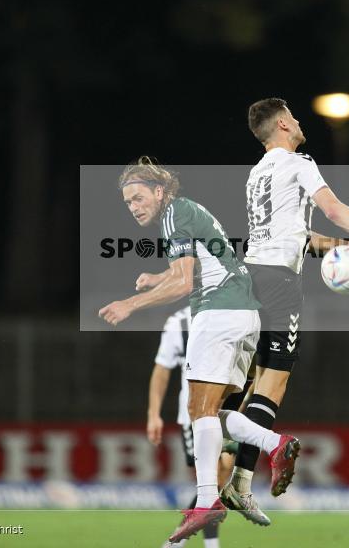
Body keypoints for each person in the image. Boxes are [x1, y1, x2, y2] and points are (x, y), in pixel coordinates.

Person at [222, 97, 349, 525]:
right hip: (279, 285)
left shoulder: (256, 174)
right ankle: (237, 478)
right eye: (292, 115)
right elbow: (332, 207)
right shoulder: (300, 162)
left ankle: (225, 461)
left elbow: (296, 233)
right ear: (280, 124)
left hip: (248, 277)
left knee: (249, 381)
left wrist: (345, 247)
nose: (298, 120)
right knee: (272, 387)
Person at [98, 158, 299, 544]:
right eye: (128, 203)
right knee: (213, 413)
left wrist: (129, 305)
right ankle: (275, 443)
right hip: (244, 318)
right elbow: (207, 265)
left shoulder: (174, 214)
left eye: (139, 198)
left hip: (219, 314)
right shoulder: (188, 212)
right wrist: (160, 276)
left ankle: (207, 501)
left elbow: (185, 282)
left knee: (198, 410)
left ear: (159, 192)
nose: (135, 206)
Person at [148, 305, 254, 547]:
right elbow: (162, 368)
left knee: (220, 478)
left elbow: (249, 370)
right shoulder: (179, 322)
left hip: (226, 412)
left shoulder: (236, 315)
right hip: (194, 415)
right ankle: (185, 543)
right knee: (213, 480)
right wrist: (153, 414)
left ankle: (178, 543)